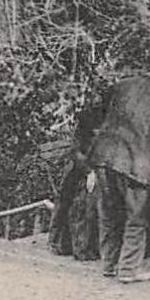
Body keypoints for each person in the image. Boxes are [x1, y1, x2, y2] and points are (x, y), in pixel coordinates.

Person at [89, 71, 150, 284]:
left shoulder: (120, 85)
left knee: (109, 212)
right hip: (134, 161)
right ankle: (128, 269)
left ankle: (109, 265)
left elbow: (100, 114)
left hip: (102, 154)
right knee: (136, 216)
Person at [49, 107, 102, 261]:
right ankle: (79, 247)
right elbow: (76, 152)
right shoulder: (84, 130)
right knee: (82, 205)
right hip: (79, 172)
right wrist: (89, 171)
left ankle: (90, 246)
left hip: (92, 170)